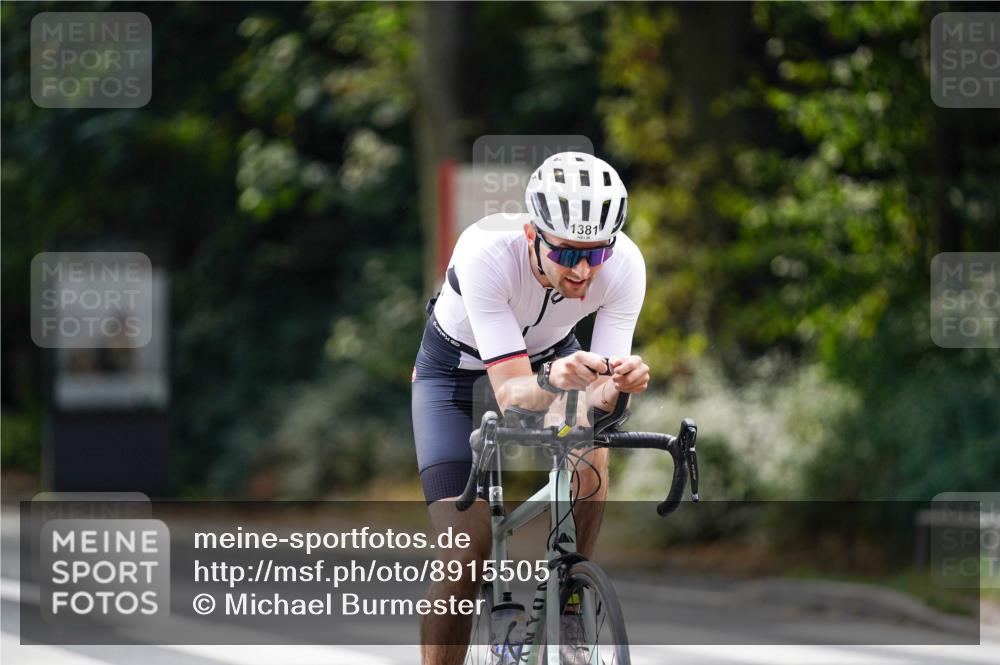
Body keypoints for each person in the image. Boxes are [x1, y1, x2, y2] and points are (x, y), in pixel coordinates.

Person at [412, 152, 649, 664]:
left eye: (596, 254)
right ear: (531, 236)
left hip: (550, 359)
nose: (583, 270)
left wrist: (620, 385)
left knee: (591, 450)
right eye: (566, 254)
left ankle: (571, 601)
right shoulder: (485, 253)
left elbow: (601, 400)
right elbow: (513, 394)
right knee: (465, 549)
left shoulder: (625, 264)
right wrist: (554, 379)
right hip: (455, 374)